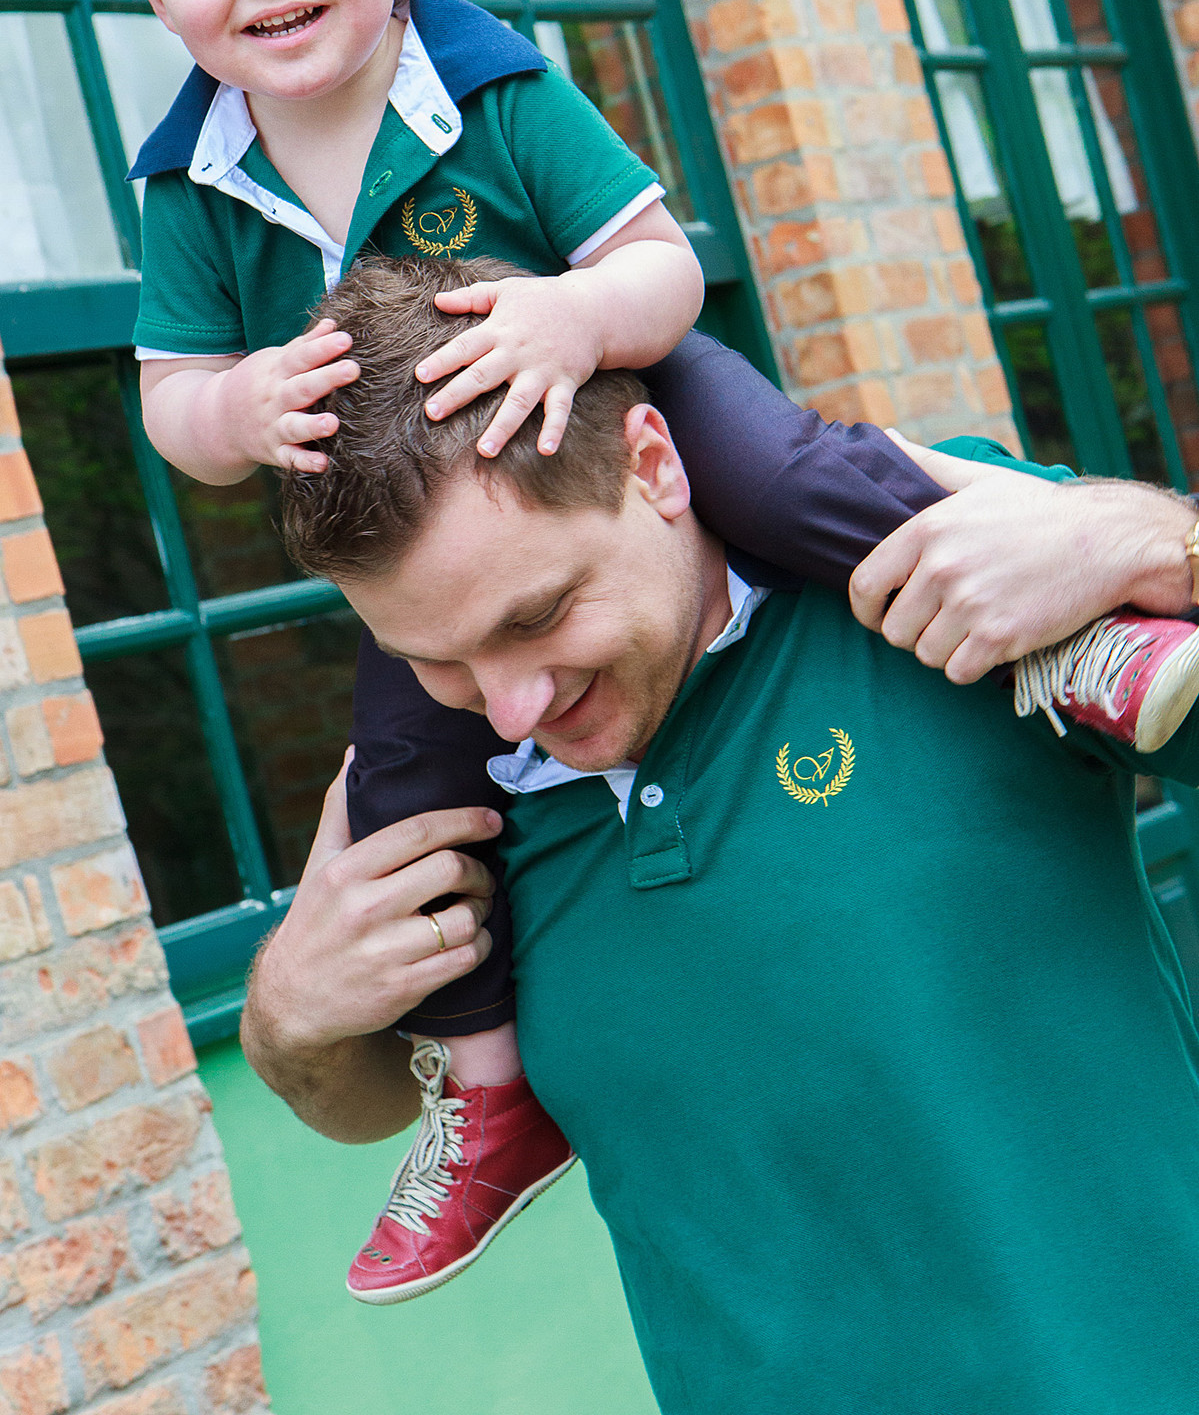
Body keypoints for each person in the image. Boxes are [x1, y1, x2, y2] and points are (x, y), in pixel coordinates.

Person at [87, 0, 1199, 1303]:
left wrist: (1136, 544)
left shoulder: (491, 93)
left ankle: (1073, 649)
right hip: (397, 509)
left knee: (796, 473)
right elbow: (173, 404)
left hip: (616, 380)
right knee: (405, 762)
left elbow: (657, 274)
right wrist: (289, 1007)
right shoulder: (193, 181)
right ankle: (488, 1092)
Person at [247, 254, 1199, 1413]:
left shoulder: (944, 564)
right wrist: (287, 1019)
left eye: (539, 615)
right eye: (432, 658)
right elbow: (375, 1100)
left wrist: (1159, 544)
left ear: (653, 466)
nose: (509, 707)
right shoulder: (430, 797)